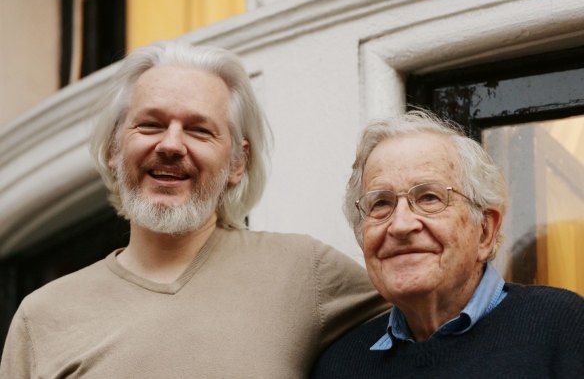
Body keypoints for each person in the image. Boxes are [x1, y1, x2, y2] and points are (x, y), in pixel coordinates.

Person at [0, 41, 387, 379]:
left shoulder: (304, 271)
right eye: (150, 125)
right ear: (114, 150)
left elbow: (432, 322)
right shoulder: (42, 316)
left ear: (237, 162)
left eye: (199, 130)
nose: (171, 145)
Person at [311, 110, 584, 378]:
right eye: (381, 203)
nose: (401, 224)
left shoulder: (564, 328)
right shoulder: (341, 366)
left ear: (485, 231)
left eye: (429, 197)